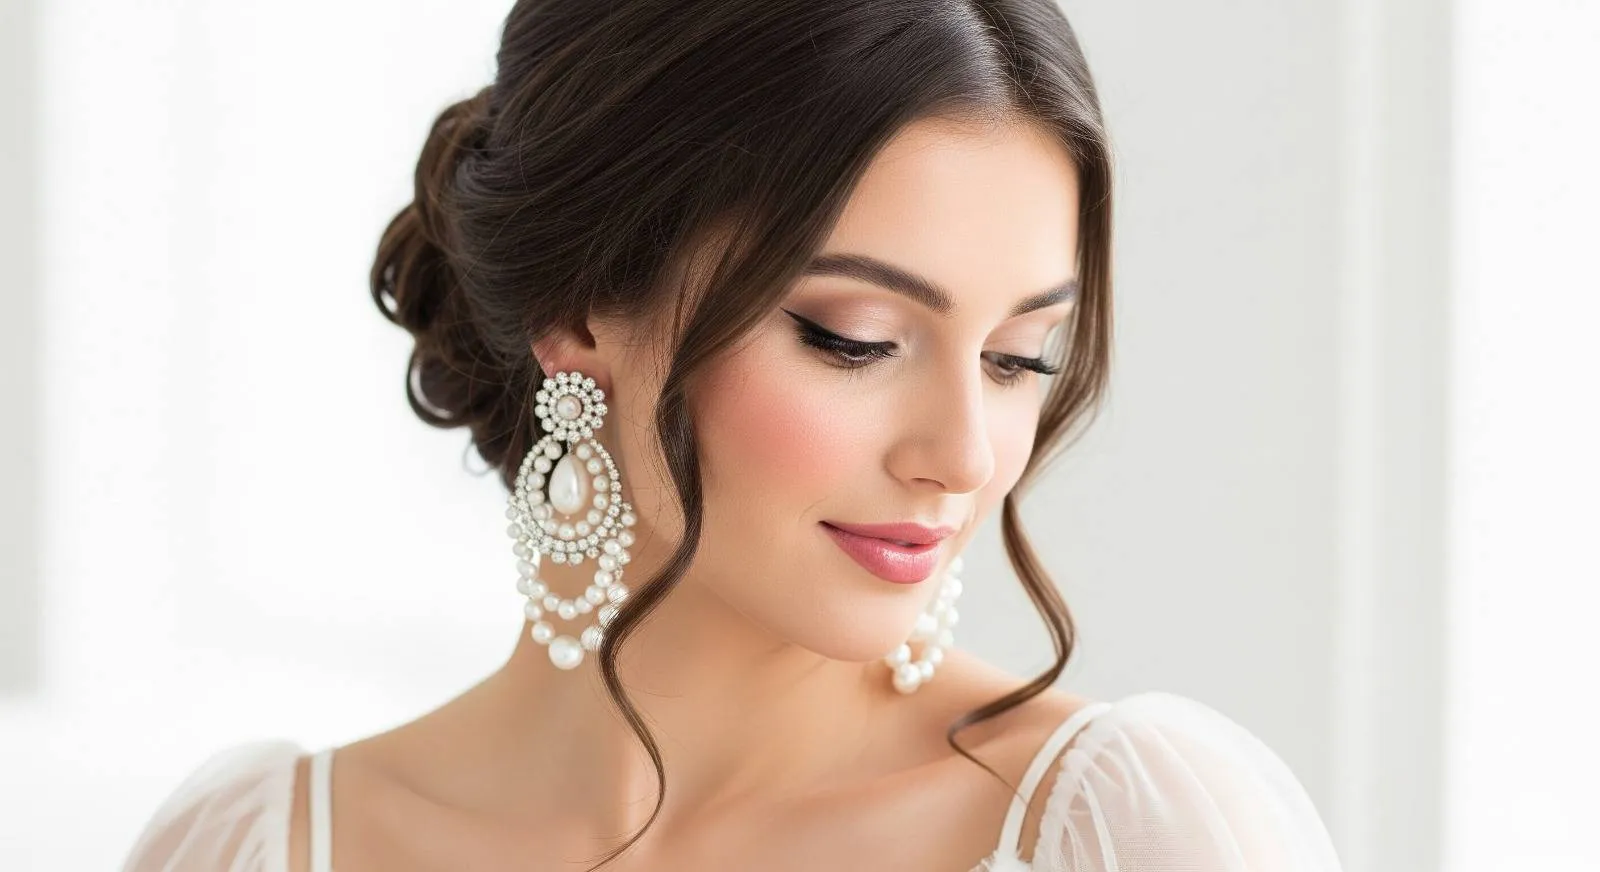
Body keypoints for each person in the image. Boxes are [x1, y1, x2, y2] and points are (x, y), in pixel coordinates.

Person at [120, 1, 1345, 870]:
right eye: (854, 338)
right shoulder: (256, 847)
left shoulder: (1123, 833)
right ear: (581, 307)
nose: (964, 454)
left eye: (1019, 357)